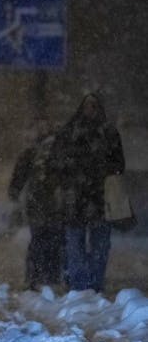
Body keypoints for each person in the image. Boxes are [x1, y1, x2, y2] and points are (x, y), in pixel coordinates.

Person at [52, 93, 125, 292]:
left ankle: (92, 285)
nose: (90, 110)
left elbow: (119, 165)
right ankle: (80, 285)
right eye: (88, 106)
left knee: (98, 246)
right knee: (76, 246)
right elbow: (56, 163)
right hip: (76, 199)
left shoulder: (107, 133)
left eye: (94, 106)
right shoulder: (70, 133)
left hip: (99, 199)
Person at [8, 119, 65, 290]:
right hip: (51, 203)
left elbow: (19, 176)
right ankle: (49, 277)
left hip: (39, 202)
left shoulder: (33, 153)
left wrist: (15, 192)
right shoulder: (58, 152)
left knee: (40, 240)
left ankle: (36, 277)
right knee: (51, 240)